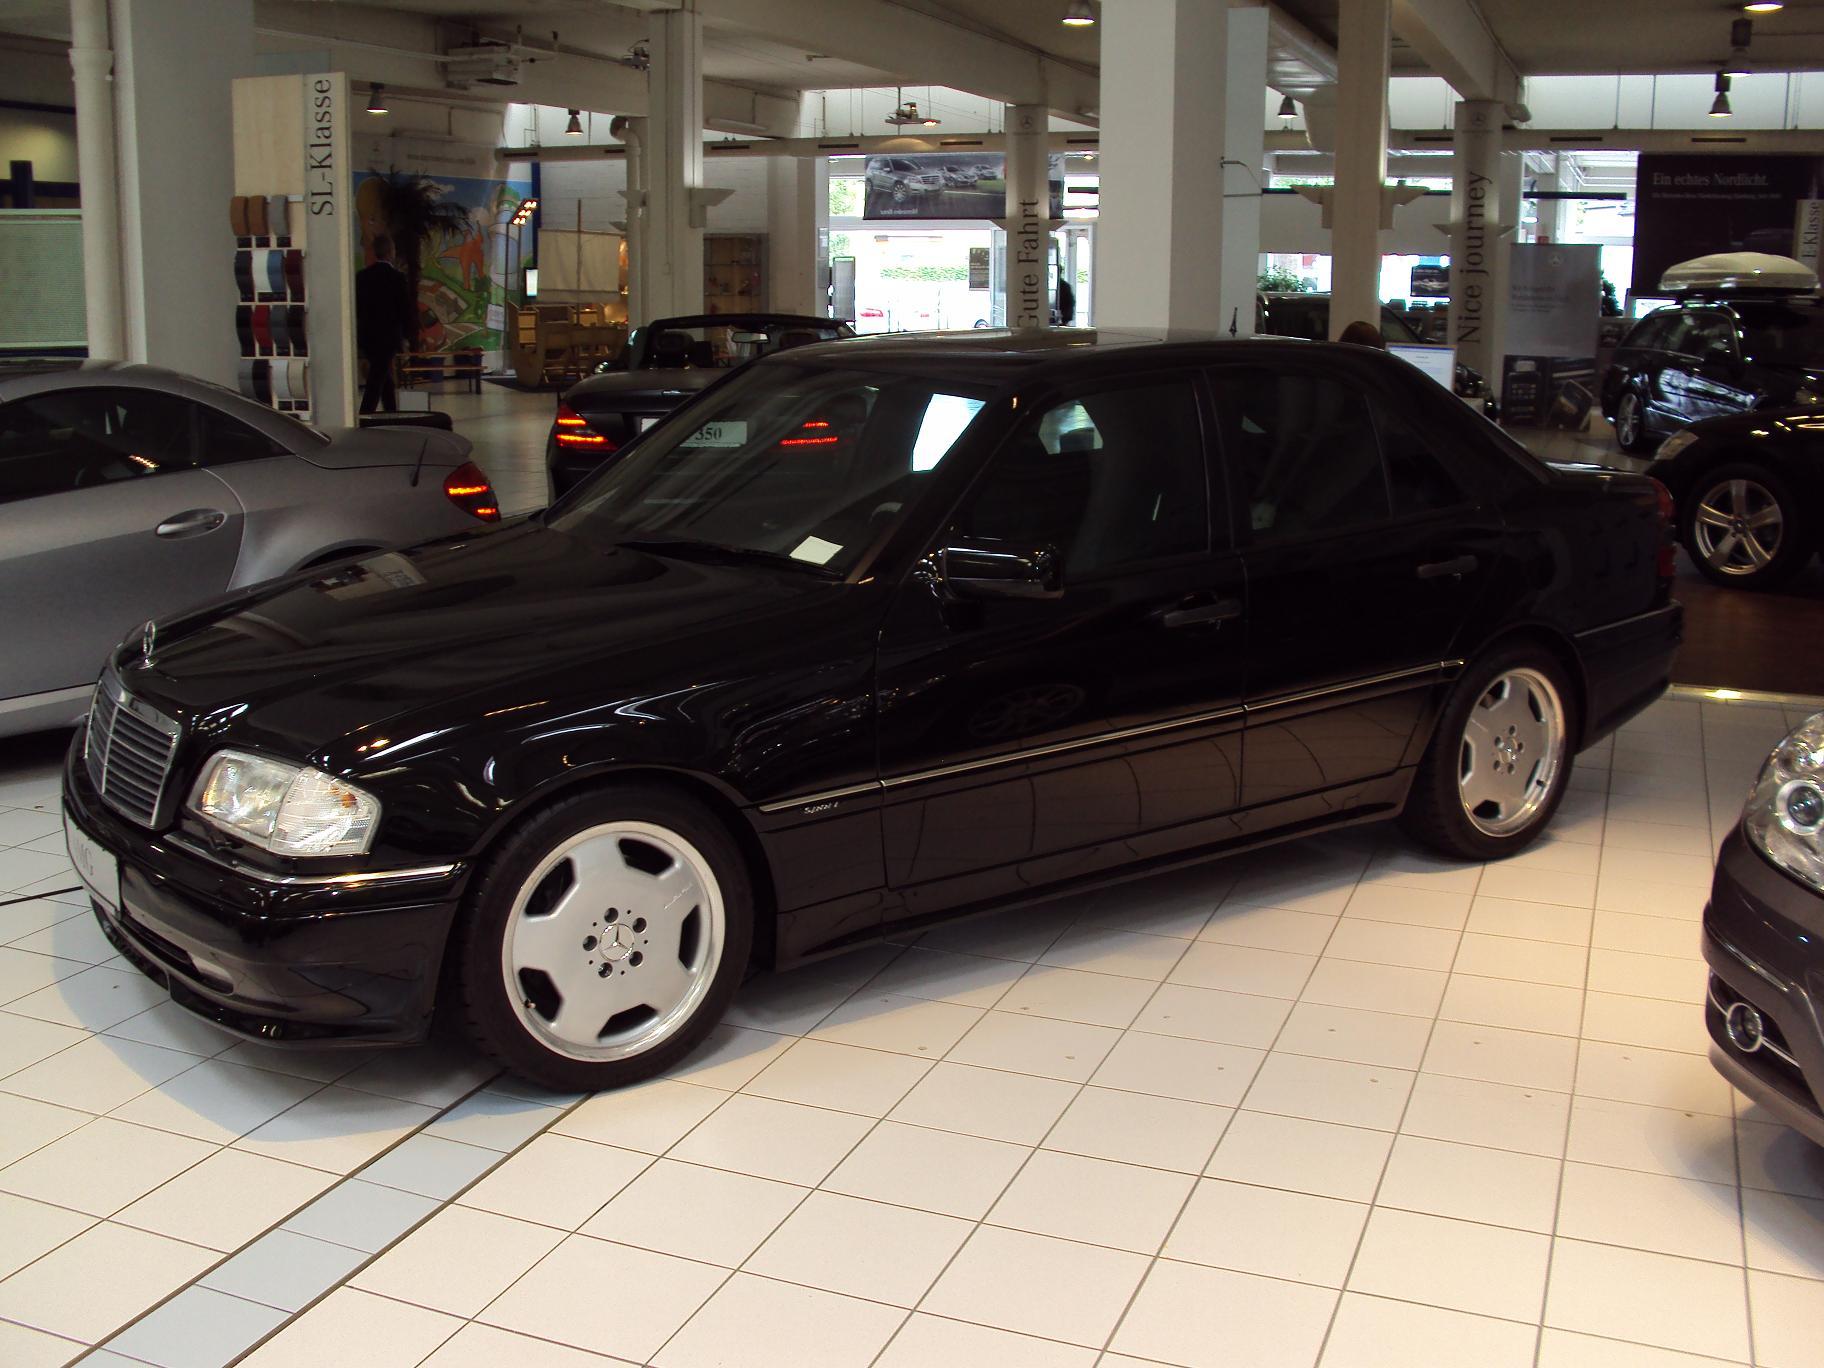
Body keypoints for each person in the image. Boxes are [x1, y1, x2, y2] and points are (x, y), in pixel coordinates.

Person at [355, 234, 414, 414]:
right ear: (391, 252)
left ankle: (391, 412)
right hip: (388, 337)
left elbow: (358, 308)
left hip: (367, 336)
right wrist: (407, 336)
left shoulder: (362, 277)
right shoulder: (397, 278)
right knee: (377, 378)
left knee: (383, 374)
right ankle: (365, 414)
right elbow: (404, 309)